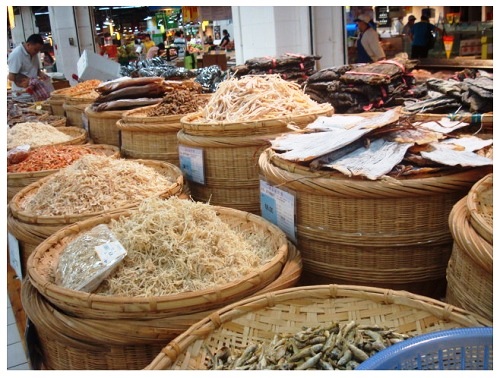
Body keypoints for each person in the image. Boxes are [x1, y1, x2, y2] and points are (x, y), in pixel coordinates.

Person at [8, 33, 51, 102]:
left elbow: (36, 70)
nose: (37, 52)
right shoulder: (16, 54)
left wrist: (42, 75)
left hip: (35, 95)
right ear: (28, 45)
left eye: (38, 50)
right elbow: (11, 77)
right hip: (22, 97)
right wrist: (28, 84)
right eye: (35, 50)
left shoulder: (33, 54)